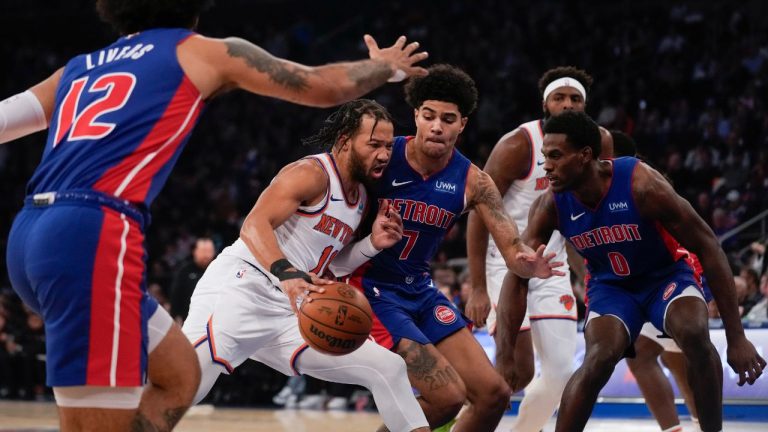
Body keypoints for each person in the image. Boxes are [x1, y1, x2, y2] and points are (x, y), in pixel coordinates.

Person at [0, 0, 429, 429]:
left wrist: (370, 244)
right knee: (100, 421)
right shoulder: (195, 51)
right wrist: (385, 68)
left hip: (30, 233)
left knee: (179, 377)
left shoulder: (80, 66)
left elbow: (5, 118)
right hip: (93, 233)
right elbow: (323, 85)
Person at [497, 110, 765, 432]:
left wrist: (736, 338)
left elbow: (709, 246)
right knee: (599, 356)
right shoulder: (550, 205)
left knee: (693, 332)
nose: (546, 166)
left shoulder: (642, 184)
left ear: (584, 156)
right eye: (544, 157)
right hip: (612, 289)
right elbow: (517, 276)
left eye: (555, 156)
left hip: (665, 277)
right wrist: (505, 352)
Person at [182, 99, 430, 432]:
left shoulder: (361, 201)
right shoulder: (312, 174)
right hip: (244, 286)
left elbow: (331, 266)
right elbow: (254, 225)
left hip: (294, 307)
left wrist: (372, 244)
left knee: (388, 368)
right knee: (182, 387)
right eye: (374, 144)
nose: (384, 154)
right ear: (344, 140)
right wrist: (287, 273)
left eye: (388, 146)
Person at [346, 64, 564, 432]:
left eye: (448, 119)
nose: (436, 126)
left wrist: (527, 264)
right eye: (428, 116)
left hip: (420, 290)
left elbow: (511, 244)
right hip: (372, 290)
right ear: (415, 115)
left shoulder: (474, 179)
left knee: (493, 393)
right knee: (446, 396)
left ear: (462, 124)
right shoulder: (383, 159)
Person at [465, 66, 613, 431]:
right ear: (545, 103)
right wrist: (479, 286)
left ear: (585, 105)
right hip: (506, 263)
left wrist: (592, 275)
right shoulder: (519, 143)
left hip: (553, 265)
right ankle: (460, 416)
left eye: (575, 99)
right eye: (559, 98)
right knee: (516, 370)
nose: (567, 105)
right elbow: (478, 213)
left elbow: (589, 215)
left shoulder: (600, 142)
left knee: (563, 373)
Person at [169, 237, 216, 324]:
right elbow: (176, 295)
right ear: (195, 251)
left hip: (215, 320)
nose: (206, 255)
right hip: (189, 320)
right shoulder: (184, 271)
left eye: (209, 251)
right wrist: (175, 316)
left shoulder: (220, 270)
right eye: (203, 251)